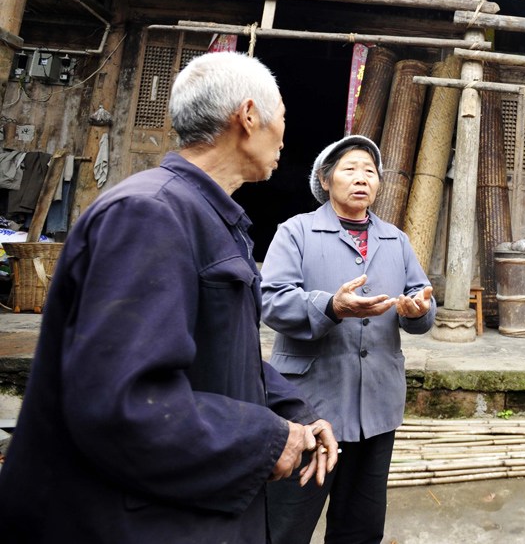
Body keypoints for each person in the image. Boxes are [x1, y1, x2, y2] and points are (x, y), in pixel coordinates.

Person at [0, 52, 339, 544]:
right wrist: (266, 439)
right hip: (134, 520)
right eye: (283, 117)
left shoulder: (208, 216)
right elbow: (125, 401)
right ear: (248, 116)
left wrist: (295, 413)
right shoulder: (149, 214)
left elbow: (220, 351)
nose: (286, 135)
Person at [261, 134, 436, 544]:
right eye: (349, 169)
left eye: (370, 171)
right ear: (325, 180)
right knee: (285, 524)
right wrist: (332, 306)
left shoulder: (397, 239)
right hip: (309, 405)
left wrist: (419, 310)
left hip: (376, 406)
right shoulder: (296, 232)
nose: (362, 178)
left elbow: (422, 301)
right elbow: (271, 301)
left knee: (360, 527)